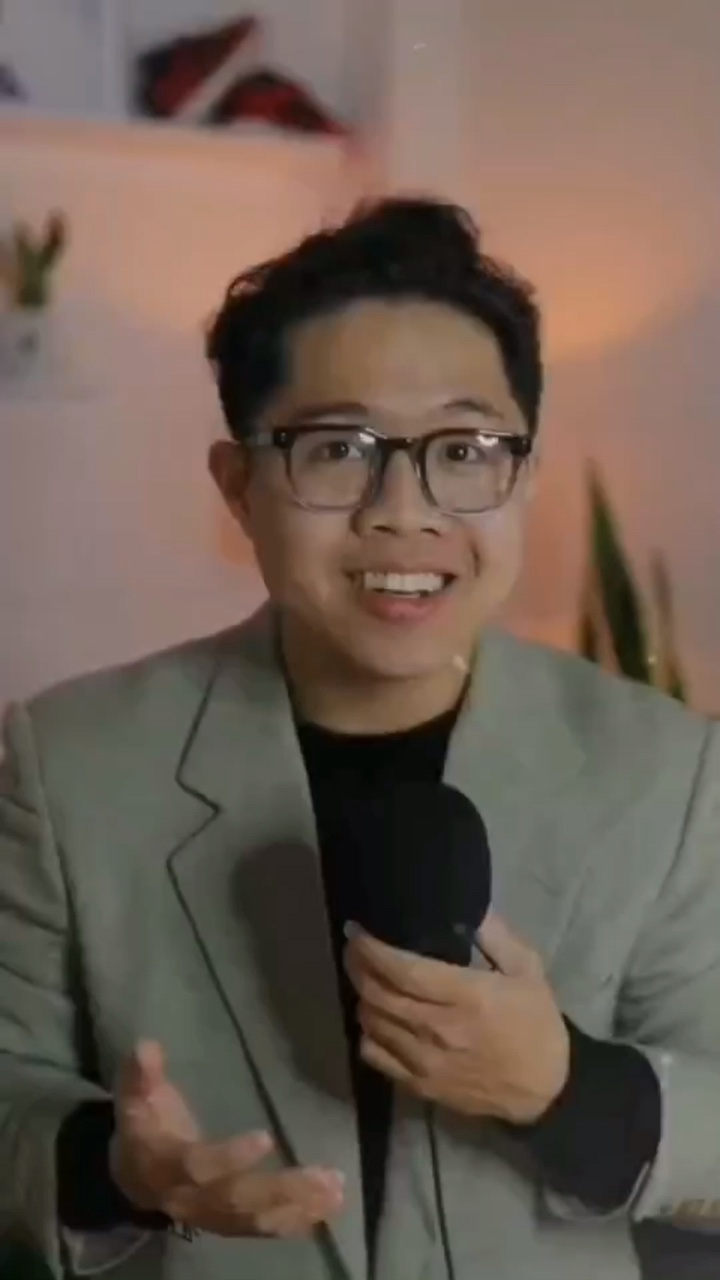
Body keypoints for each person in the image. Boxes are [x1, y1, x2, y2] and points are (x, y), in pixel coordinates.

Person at [0, 198, 719, 1280]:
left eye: (464, 449)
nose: (403, 511)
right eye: (338, 448)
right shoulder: (71, 762)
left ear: (523, 476)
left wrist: (566, 1087)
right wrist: (116, 1168)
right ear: (238, 487)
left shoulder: (665, 767)